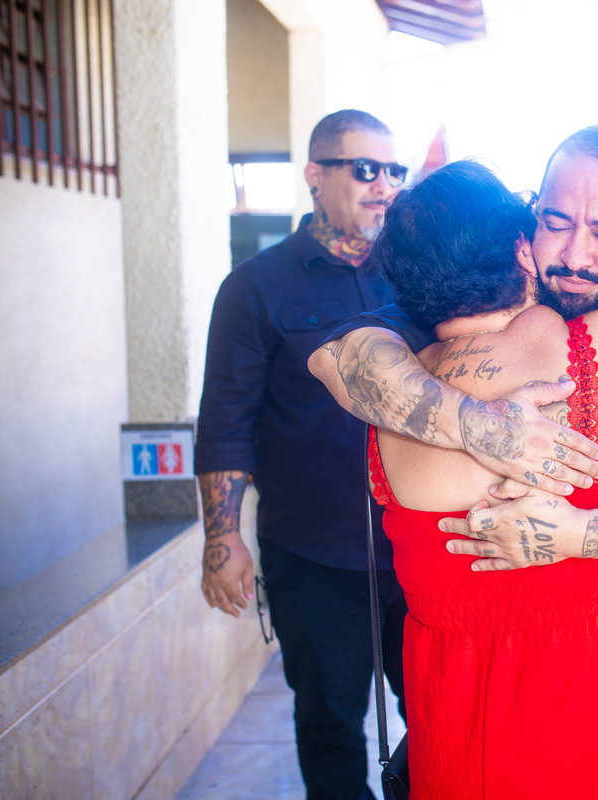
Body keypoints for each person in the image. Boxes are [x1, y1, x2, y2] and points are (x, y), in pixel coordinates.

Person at [311, 124, 598, 800]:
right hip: (584, 679)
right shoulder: (549, 324)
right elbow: (341, 352)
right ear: (524, 239)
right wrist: (475, 424)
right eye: (555, 222)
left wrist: (579, 535)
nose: (575, 253)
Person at [194, 109, 409, 800]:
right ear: (316, 175)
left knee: (439, 714)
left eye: (395, 170)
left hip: (418, 547)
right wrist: (222, 537)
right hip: (313, 559)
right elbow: (226, 420)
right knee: (330, 724)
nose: (384, 185)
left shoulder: (414, 275)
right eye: (366, 169)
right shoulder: (255, 288)